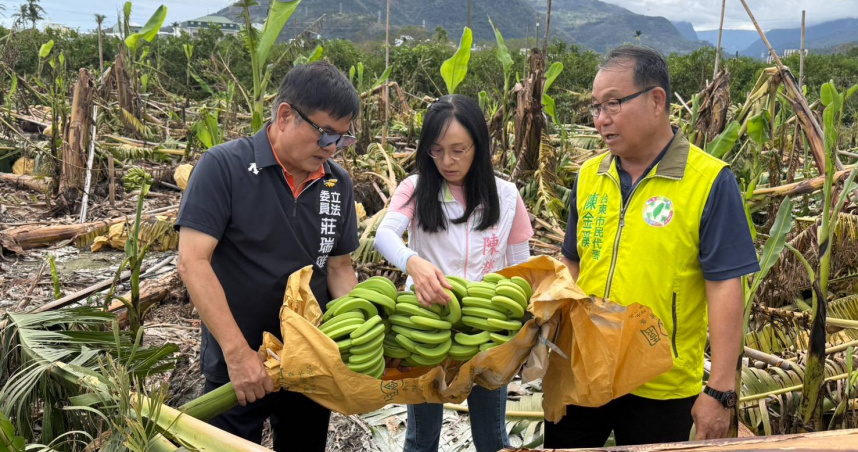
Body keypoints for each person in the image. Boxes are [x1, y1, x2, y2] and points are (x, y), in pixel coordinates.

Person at [548, 45, 760, 448]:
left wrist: (720, 390)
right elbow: (572, 263)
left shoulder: (708, 181)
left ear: (657, 100)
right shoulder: (589, 175)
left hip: (660, 384)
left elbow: (725, 286)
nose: (601, 120)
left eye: (613, 104)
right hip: (581, 370)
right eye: (595, 107)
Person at [175, 61, 361, 451]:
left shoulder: (336, 183)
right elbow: (193, 262)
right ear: (285, 115)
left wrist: (355, 335)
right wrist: (238, 355)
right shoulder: (223, 167)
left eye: (342, 140)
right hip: (239, 366)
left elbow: (340, 268)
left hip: (311, 362)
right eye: (325, 135)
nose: (332, 150)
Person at [374, 94, 533, 452]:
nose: (447, 161)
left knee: (492, 435)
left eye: (459, 150)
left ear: (479, 144)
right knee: (421, 437)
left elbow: (522, 265)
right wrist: (412, 261)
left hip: (485, 330)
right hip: (425, 327)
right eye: (437, 150)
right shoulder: (416, 188)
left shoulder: (506, 195)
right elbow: (385, 235)